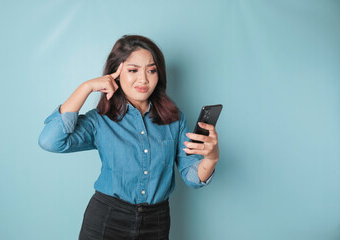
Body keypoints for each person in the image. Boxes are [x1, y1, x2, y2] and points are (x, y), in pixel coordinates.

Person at [38, 34, 219, 240]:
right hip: (106, 220)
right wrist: (86, 87)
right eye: (133, 70)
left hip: (156, 222)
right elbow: (50, 141)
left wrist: (211, 158)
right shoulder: (100, 120)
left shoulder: (174, 119)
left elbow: (193, 178)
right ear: (115, 74)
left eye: (151, 70)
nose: (143, 79)